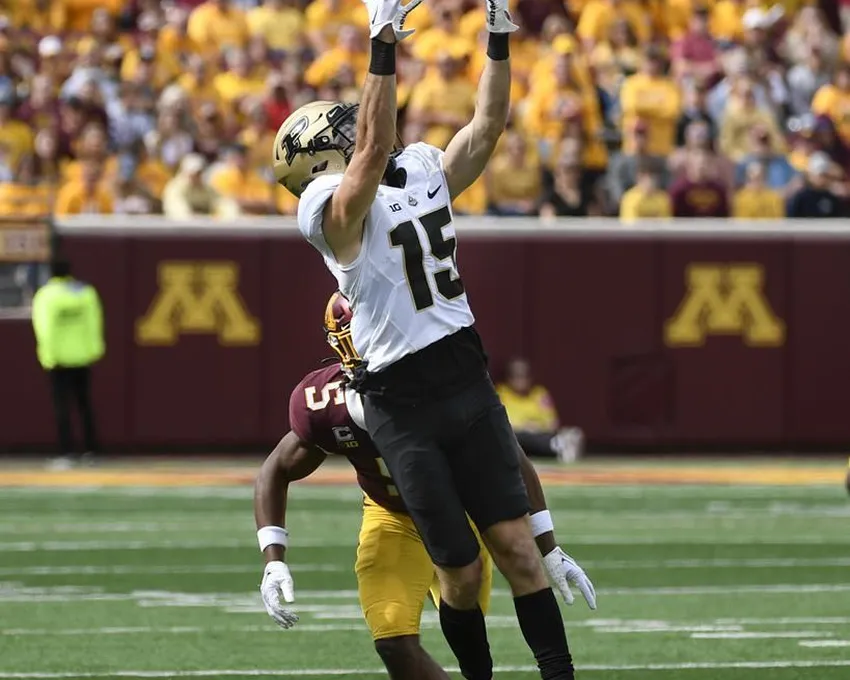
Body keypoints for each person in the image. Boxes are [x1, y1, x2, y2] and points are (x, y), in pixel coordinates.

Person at [270, 2, 589, 679]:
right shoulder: (325, 208)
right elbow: (366, 161)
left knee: (517, 549)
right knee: (462, 574)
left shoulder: (417, 164)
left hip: (462, 370)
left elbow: (487, 126)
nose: (353, 122)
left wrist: (498, 43)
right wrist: (381, 45)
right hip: (399, 398)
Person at [255, 292, 595, 680]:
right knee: (391, 638)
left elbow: (511, 457)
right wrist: (273, 559)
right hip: (393, 516)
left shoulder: (446, 380)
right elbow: (275, 470)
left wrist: (548, 548)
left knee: (472, 589)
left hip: (458, 509)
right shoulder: (323, 404)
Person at [31, 258, 104, 470]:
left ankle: (67, 453)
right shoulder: (85, 293)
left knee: (62, 407)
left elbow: (44, 327)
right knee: (85, 405)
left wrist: (47, 355)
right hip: (82, 357)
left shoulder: (46, 295)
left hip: (59, 359)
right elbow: (95, 322)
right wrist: (94, 350)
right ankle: (92, 451)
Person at [496, 357, 584, 462]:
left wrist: (536, 427)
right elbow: (499, 422)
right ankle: (558, 445)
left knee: (538, 438)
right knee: (515, 437)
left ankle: (560, 444)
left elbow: (552, 423)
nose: (521, 380)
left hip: (538, 433)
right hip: (515, 435)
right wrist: (524, 426)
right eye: (516, 376)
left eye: (525, 376)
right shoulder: (501, 393)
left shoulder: (539, 394)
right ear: (509, 377)